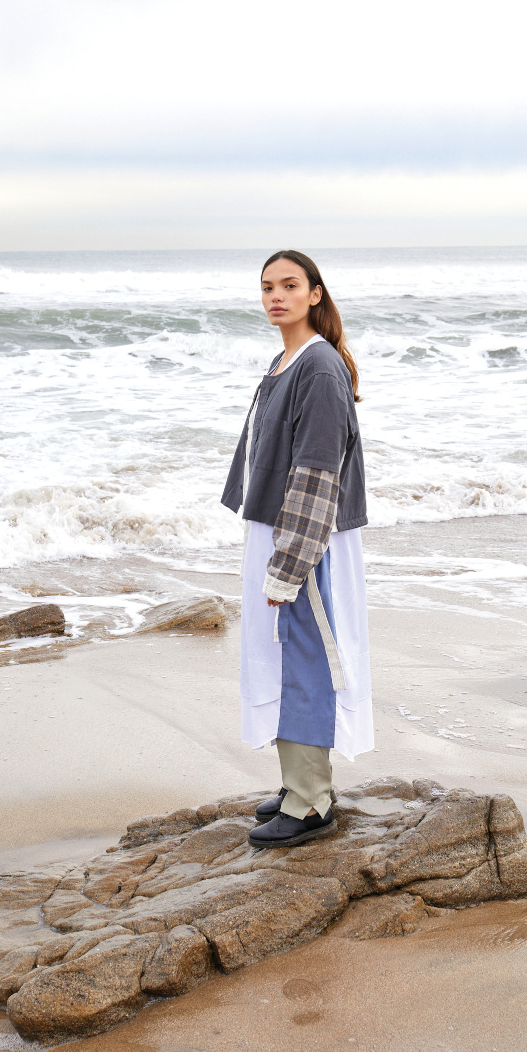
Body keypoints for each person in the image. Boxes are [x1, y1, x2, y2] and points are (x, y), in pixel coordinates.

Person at [221, 249, 374, 848]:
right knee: (281, 652)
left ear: (315, 293)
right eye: (266, 287)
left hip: (305, 534)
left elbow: (316, 470)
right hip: (278, 525)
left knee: (305, 654)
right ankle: (296, 785)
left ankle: (312, 801)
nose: (275, 297)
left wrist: (289, 563)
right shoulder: (285, 360)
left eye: (289, 285)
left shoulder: (319, 367)